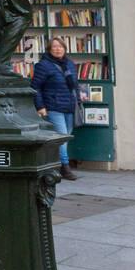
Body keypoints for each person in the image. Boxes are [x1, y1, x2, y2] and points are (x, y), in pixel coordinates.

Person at [32, 37, 80, 180]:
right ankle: (64, 168)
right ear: (49, 49)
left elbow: (75, 86)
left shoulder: (70, 64)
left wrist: (78, 101)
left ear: (65, 49)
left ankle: (56, 165)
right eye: (54, 47)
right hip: (53, 106)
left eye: (60, 46)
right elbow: (35, 87)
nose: (58, 49)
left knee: (64, 137)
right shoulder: (44, 65)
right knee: (61, 138)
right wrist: (40, 107)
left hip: (70, 106)